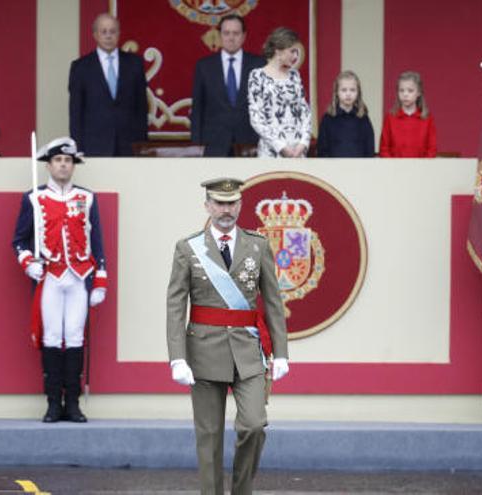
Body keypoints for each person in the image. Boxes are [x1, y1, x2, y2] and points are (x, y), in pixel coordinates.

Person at [166, 178, 289, 494]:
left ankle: (241, 490)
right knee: (209, 436)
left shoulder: (257, 245)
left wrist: (282, 352)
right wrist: (177, 357)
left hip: (248, 352)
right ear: (207, 205)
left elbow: (273, 302)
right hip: (203, 351)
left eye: (232, 203)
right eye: (219, 203)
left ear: (240, 205)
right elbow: (176, 305)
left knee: (254, 426)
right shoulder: (188, 248)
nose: (226, 210)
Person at [12, 137, 108, 423]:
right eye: (58, 160)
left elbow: (98, 241)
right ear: (49, 165)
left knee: (76, 337)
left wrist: (101, 279)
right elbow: (19, 240)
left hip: (79, 277)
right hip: (50, 277)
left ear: (73, 165)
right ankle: (54, 403)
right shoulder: (33, 197)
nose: (63, 165)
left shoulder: (87, 198)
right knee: (52, 337)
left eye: (67, 161)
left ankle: (74, 405)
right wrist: (28, 262)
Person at [69, 13, 149, 156]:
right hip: (93, 146)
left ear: (119, 34)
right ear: (95, 35)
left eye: (112, 31)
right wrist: (77, 148)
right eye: (103, 31)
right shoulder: (81, 67)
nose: (108, 36)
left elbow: (141, 108)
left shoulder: (134, 64)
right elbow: (76, 113)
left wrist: (141, 145)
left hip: (129, 146)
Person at [190, 14, 266, 157]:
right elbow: (197, 109)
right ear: (220, 35)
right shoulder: (204, 66)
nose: (231, 38)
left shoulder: (259, 65)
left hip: (250, 143)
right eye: (226, 33)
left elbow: (265, 106)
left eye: (236, 33)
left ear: (244, 36)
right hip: (214, 143)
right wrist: (196, 145)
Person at [247, 27, 312, 158]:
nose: (295, 56)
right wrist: (280, 146)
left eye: (296, 52)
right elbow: (256, 118)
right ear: (278, 51)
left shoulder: (294, 75)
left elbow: (305, 112)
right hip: (271, 152)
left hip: (297, 153)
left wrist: (303, 143)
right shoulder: (257, 76)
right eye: (292, 51)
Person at [316, 70, 376, 157]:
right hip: (333, 168)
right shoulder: (327, 119)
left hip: (359, 168)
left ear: (358, 93)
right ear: (336, 92)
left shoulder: (363, 118)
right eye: (344, 90)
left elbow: (369, 148)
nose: (348, 94)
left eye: (352, 90)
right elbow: (322, 149)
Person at [378, 71, 436, 158]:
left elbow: (431, 149)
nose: (405, 94)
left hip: (421, 169)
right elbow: (384, 148)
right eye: (401, 90)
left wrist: (424, 167)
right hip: (395, 169)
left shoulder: (427, 118)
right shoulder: (390, 118)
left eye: (410, 91)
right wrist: (392, 166)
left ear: (419, 93)